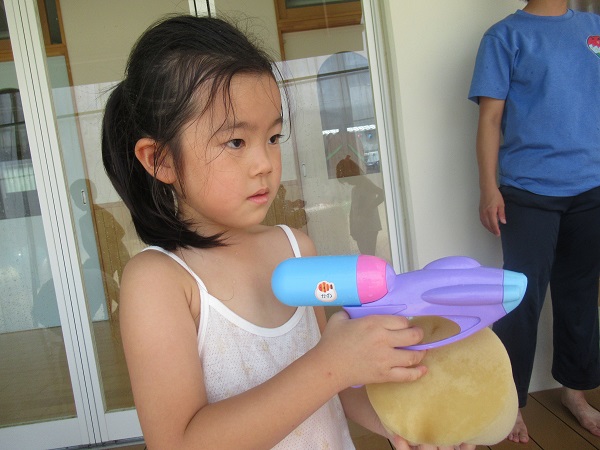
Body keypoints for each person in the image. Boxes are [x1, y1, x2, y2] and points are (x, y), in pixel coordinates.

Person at [102, 15, 475, 450]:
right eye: (236, 142)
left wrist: (406, 425)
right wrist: (332, 364)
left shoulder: (295, 247)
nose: (265, 163)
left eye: (274, 137)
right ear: (161, 159)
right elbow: (178, 443)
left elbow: (337, 391)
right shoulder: (158, 281)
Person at [469, 0, 600, 443]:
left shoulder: (593, 27)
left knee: (580, 296)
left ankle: (575, 393)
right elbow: (490, 119)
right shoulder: (504, 36)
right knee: (520, 301)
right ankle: (510, 402)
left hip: (592, 188)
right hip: (528, 192)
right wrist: (489, 188)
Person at [336, 155, 385, 255]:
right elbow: (353, 211)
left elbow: (382, 194)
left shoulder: (365, 183)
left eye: (348, 180)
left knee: (368, 255)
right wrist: (353, 228)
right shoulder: (355, 189)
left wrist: (369, 208)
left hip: (369, 227)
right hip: (360, 228)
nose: (348, 183)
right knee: (365, 254)